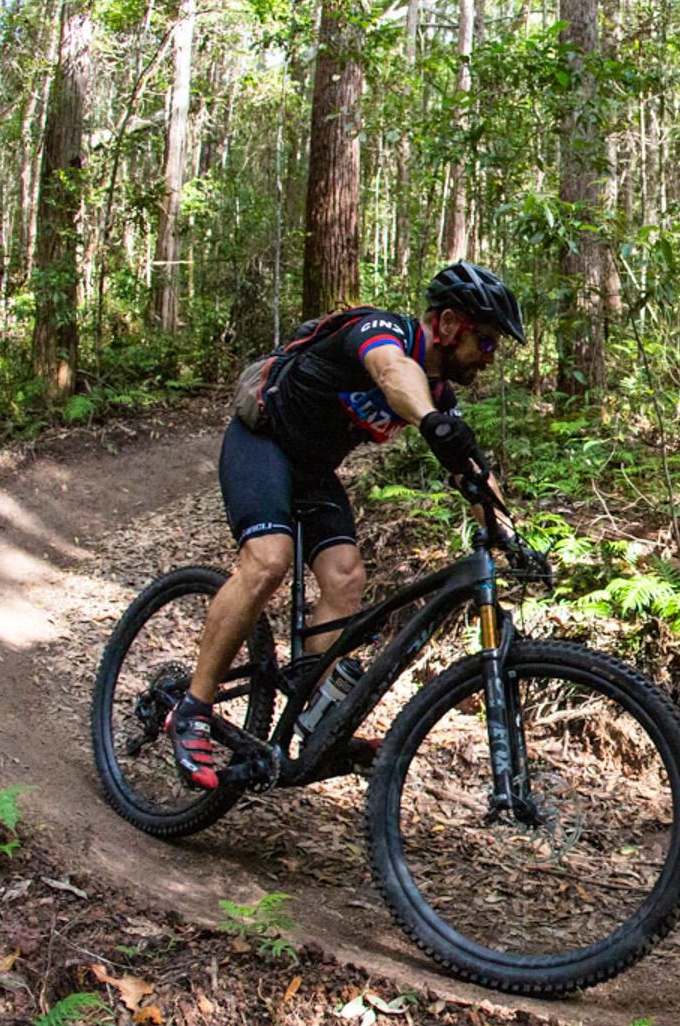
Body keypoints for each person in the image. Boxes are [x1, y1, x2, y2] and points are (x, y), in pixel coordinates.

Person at [166, 262, 525, 789]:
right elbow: (390, 373)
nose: (489, 360)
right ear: (449, 325)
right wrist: (430, 421)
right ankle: (193, 708)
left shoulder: (439, 397)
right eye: (487, 343)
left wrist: (512, 537)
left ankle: (310, 715)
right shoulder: (382, 332)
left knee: (347, 579)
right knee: (269, 560)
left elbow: (470, 471)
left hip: (312, 473)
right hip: (263, 445)